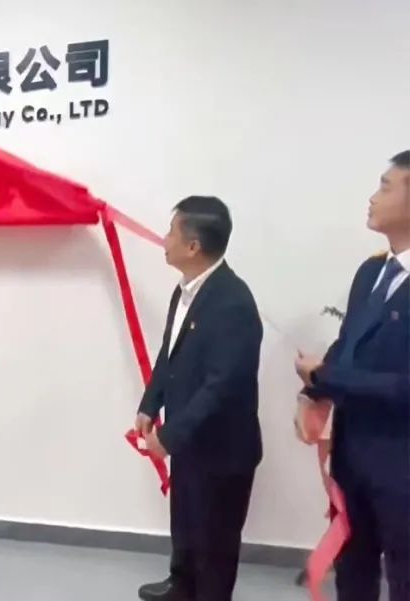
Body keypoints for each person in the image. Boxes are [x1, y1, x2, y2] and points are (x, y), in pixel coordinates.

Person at [134, 196, 264, 601]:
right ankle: (181, 584)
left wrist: (169, 436)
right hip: (190, 440)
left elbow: (222, 385)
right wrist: (150, 403)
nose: (164, 239)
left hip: (222, 450)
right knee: (187, 525)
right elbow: (169, 353)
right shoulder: (186, 290)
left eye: (171, 232)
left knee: (215, 543)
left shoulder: (232, 302)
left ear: (193, 246)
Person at [295, 150, 410, 601]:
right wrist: (313, 391)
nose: (372, 198)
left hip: (401, 463)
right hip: (352, 455)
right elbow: (347, 346)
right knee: (353, 572)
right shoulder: (372, 271)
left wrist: (327, 377)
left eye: (385, 186)